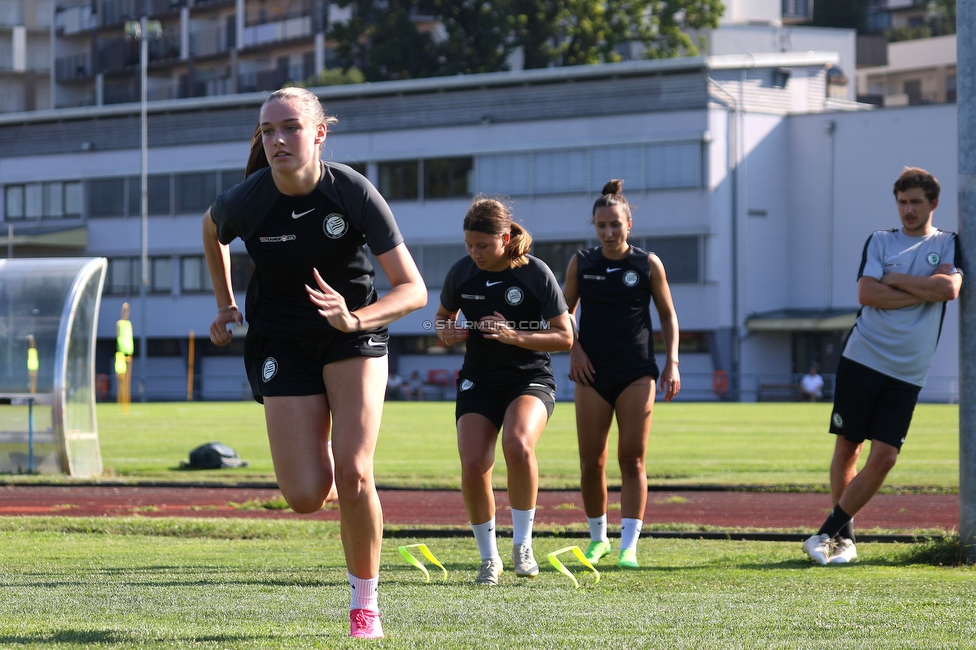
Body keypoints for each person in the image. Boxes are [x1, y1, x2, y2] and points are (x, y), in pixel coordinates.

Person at [202, 87, 426, 638]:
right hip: (280, 343)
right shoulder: (248, 200)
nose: (277, 139)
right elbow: (212, 232)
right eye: (267, 130)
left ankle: (364, 606)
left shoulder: (350, 190)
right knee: (304, 497)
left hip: (350, 337)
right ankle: (323, 444)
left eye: (290, 127)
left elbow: (413, 290)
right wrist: (225, 302)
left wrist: (355, 319)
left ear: (319, 133)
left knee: (354, 473)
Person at [803, 167, 962, 566]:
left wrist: (897, 280)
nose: (908, 210)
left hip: (909, 371)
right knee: (848, 446)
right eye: (902, 202)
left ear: (933, 204)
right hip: (863, 356)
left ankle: (827, 531)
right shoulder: (879, 240)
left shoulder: (947, 243)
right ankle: (845, 540)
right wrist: (924, 288)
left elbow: (950, 289)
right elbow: (867, 293)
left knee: (886, 457)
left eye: (916, 202)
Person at [435, 197, 573, 585]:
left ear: (506, 237)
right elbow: (442, 321)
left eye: (483, 246)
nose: (474, 253)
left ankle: (523, 544)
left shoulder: (535, 273)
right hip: (478, 379)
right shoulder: (461, 273)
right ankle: (488, 558)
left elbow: (564, 336)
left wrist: (513, 335)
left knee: (518, 445)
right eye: (469, 246)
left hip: (528, 378)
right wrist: (449, 331)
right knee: (474, 464)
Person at [562, 179, 680, 569]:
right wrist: (574, 348)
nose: (609, 232)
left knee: (632, 460)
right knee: (592, 462)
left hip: (636, 373)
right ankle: (598, 540)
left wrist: (672, 363)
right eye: (602, 226)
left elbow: (667, 315)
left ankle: (629, 545)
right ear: (594, 227)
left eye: (616, 224)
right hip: (591, 373)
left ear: (629, 223)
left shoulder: (647, 263)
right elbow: (563, 315)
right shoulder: (582, 262)